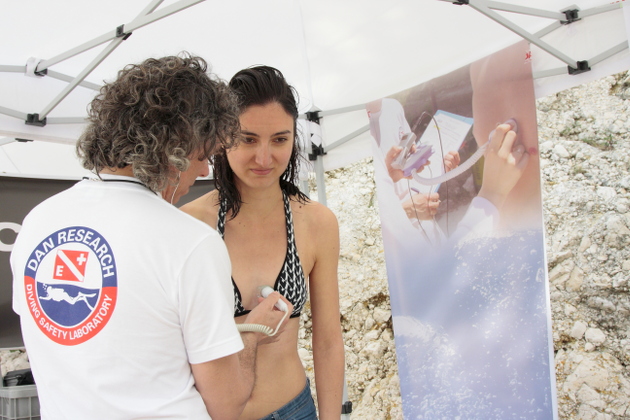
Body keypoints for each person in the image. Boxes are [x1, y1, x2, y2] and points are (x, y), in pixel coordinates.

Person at [10, 53, 291, 419]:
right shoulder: (190, 242)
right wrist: (253, 332)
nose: (205, 169)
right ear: (172, 146)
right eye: (201, 155)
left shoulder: (38, 220)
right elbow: (227, 403)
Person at [181, 65, 344, 419]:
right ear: (223, 137)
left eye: (280, 140)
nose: (264, 158)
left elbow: (329, 339)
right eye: (248, 139)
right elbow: (177, 343)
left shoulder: (317, 223)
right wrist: (248, 325)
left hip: (292, 409)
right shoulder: (191, 223)